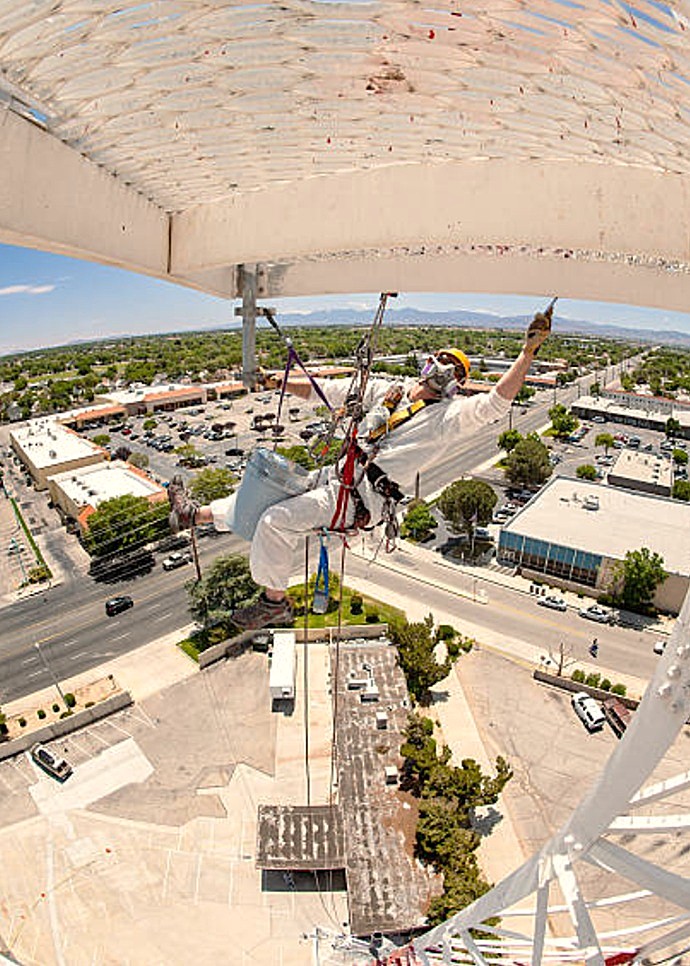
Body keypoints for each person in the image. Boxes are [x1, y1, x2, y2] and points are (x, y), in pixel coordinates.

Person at [168, 308, 552, 630]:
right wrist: (279, 381)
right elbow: (331, 391)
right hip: (338, 476)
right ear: (428, 362)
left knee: (274, 521)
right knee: (264, 491)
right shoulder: (393, 390)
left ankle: (274, 602)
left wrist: (527, 354)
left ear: (458, 385)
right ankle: (195, 515)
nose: (446, 368)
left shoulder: (448, 417)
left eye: (456, 369)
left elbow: (495, 404)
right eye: (444, 359)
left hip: (357, 498)